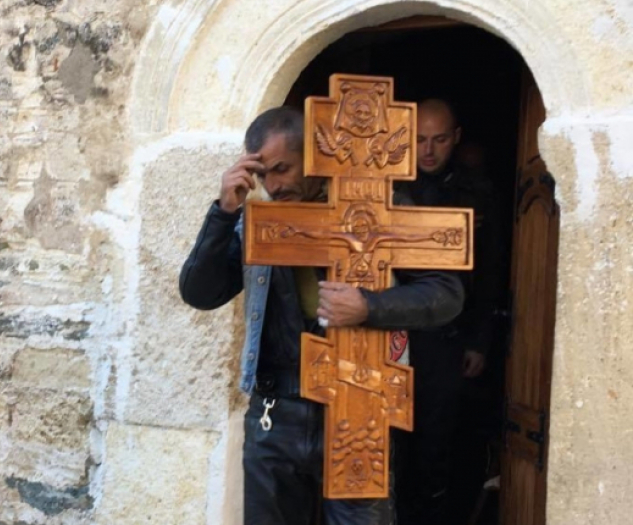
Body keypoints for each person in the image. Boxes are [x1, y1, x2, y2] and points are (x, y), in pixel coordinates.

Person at [178, 107, 465, 525]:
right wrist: (224, 212)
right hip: (277, 409)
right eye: (264, 175)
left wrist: (369, 306)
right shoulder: (260, 220)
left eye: (283, 169)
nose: (274, 185)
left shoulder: (378, 209)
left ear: (314, 157)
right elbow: (200, 293)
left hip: (360, 403)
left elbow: (446, 294)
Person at [393, 99, 504, 525]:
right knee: (390, 442)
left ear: (455, 138)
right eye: (419, 139)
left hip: (448, 337)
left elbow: (490, 271)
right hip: (393, 331)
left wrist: (480, 341)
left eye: (439, 139)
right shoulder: (388, 186)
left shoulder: (477, 192)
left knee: (435, 444)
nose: (428, 150)